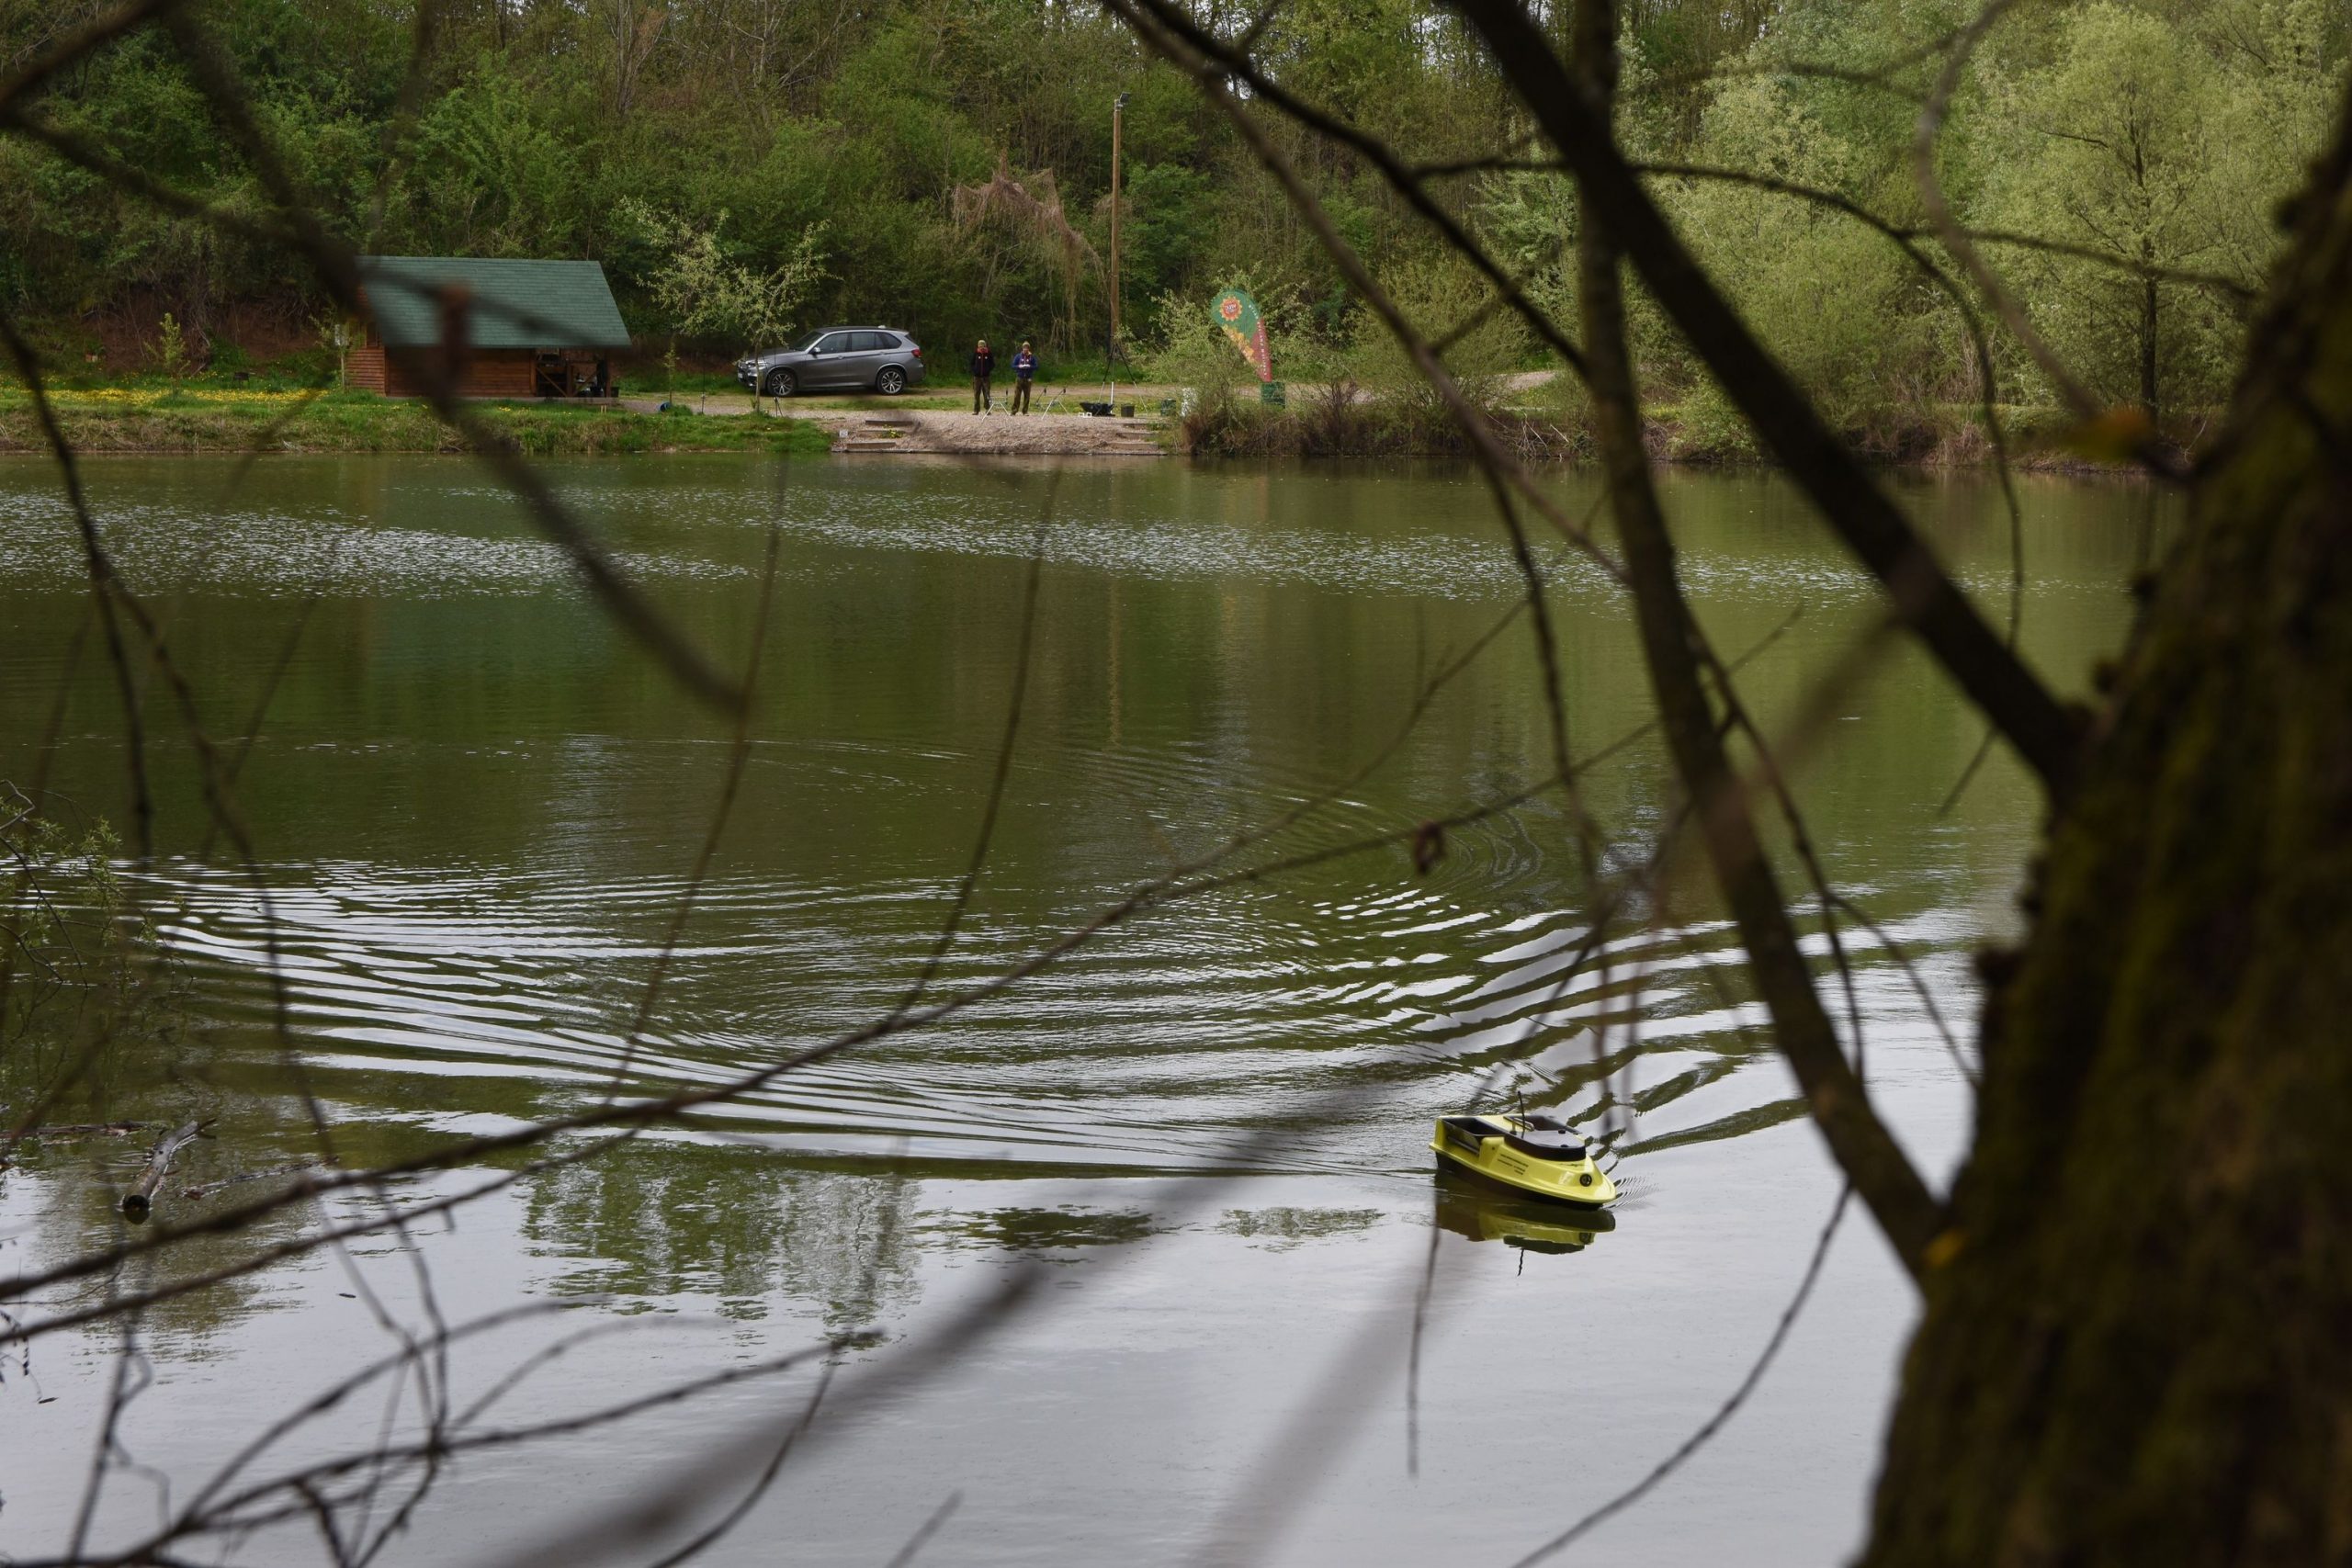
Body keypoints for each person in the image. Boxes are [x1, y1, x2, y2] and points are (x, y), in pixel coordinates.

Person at [969, 339, 996, 413]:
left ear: (985, 345)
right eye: (980, 345)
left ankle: (987, 409)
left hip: (986, 377)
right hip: (977, 377)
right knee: (976, 393)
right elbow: (971, 363)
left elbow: (993, 364)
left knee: (987, 393)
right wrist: (975, 370)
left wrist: (988, 370)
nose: (981, 347)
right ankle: (976, 410)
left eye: (983, 345)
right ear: (978, 346)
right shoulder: (976, 353)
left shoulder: (988, 353)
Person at [1011, 341, 1037, 413]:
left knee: (1027, 395)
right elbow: (1013, 366)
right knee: (1017, 395)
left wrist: (1030, 366)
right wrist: (1019, 366)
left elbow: (1036, 366)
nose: (1025, 349)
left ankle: (1025, 411)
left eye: (1027, 348)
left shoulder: (1032, 357)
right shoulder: (1018, 356)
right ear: (1022, 348)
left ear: (1029, 348)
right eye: (1024, 348)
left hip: (1028, 378)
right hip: (1019, 377)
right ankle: (1014, 410)